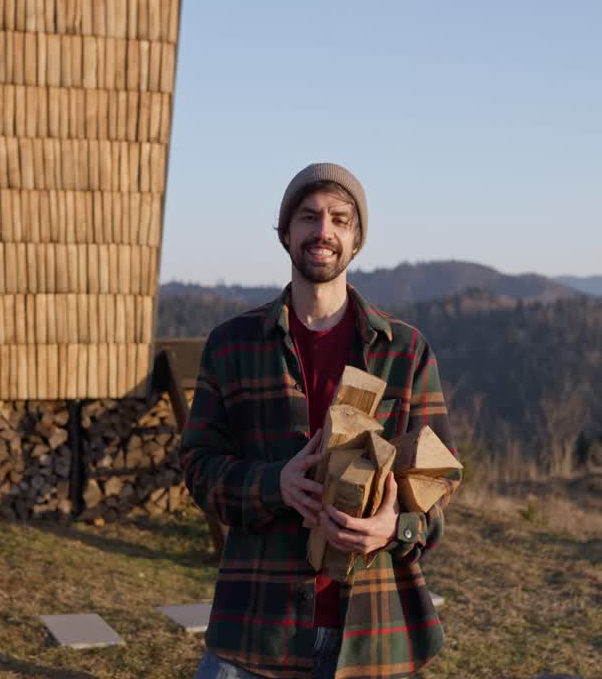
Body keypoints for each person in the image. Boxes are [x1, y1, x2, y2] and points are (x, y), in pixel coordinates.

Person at [180, 162, 461, 679]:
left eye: (339, 218)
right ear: (286, 233)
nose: (323, 231)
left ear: (356, 240)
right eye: (308, 217)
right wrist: (274, 485)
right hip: (255, 628)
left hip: (373, 633)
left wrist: (392, 529)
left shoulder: (406, 351)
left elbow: (440, 481)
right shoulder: (233, 345)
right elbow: (197, 467)